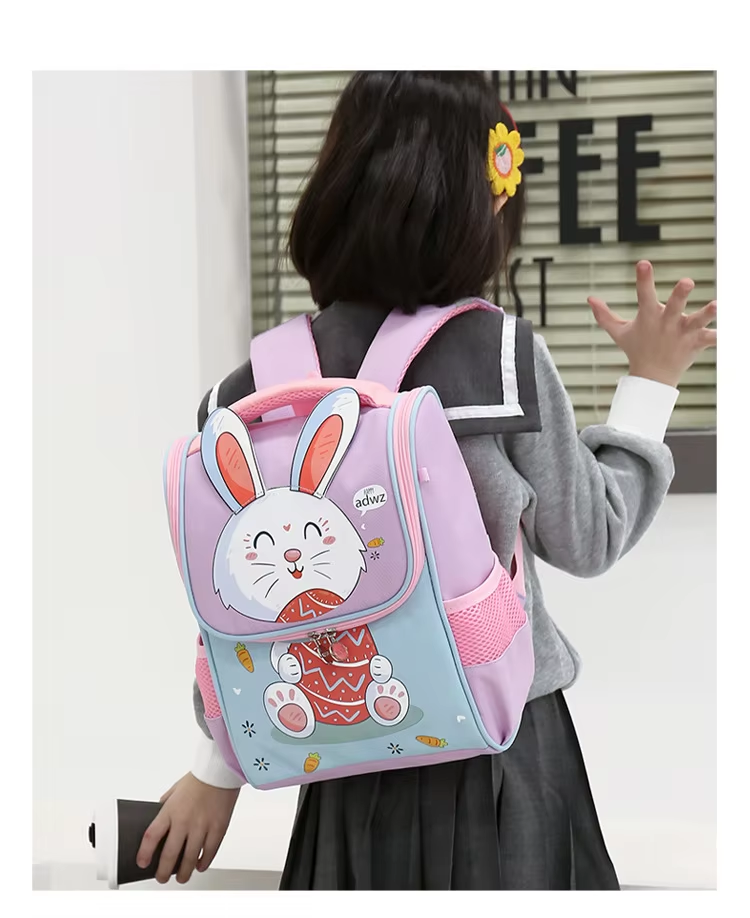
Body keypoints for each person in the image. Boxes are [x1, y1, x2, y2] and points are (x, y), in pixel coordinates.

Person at [137, 71, 717, 890]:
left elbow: (255, 614)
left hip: (342, 756)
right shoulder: (498, 358)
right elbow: (588, 538)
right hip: (500, 753)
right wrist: (650, 385)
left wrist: (217, 771)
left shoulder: (250, 396)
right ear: (482, 205)